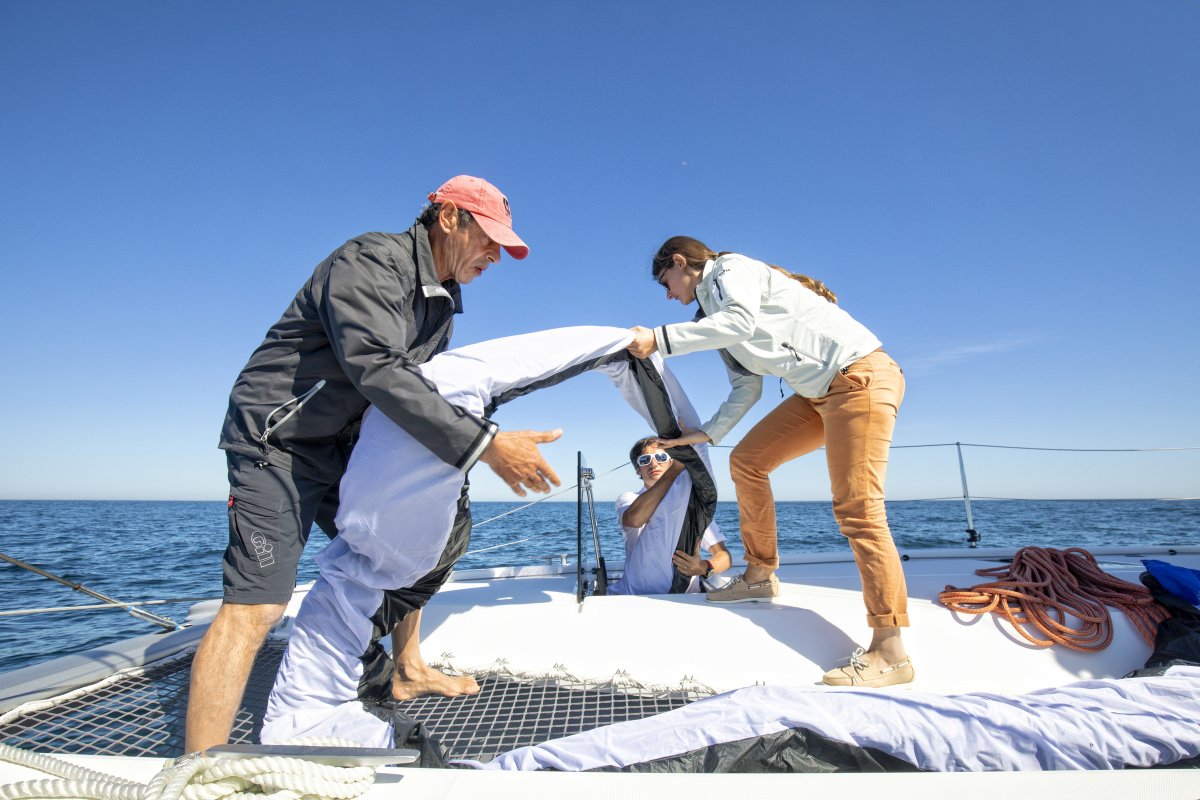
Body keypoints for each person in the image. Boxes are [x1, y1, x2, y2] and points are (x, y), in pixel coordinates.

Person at [186, 176, 563, 753]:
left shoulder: (441, 304)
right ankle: (197, 768)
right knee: (257, 605)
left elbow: (421, 390)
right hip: (277, 442)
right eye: (488, 237)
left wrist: (454, 457)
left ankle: (407, 666)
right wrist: (484, 444)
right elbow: (378, 370)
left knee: (417, 539)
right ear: (448, 218)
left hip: (343, 443)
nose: (496, 254)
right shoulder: (372, 261)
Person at [627, 236, 911, 688]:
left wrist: (658, 338)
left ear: (680, 263)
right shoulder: (713, 317)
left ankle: (891, 651)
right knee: (747, 461)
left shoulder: (731, 269)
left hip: (859, 378)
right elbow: (748, 389)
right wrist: (705, 434)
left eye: (666, 282)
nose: (668, 295)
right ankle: (759, 575)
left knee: (858, 510)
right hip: (817, 393)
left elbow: (739, 322)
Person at [610, 437, 730, 595]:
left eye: (661, 457)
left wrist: (704, 567)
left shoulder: (691, 505)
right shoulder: (628, 498)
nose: (654, 464)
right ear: (638, 469)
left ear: (671, 460)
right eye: (645, 460)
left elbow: (724, 556)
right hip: (638, 595)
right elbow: (635, 519)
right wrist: (673, 471)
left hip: (686, 597)